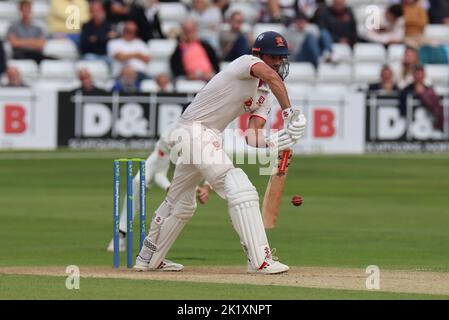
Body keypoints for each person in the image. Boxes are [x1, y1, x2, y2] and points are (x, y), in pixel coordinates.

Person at [134, 31, 307, 274]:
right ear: (258, 55)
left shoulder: (265, 93)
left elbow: (252, 135)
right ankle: (260, 260)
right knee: (240, 187)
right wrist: (289, 115)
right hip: (194, 129)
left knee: (180, 202)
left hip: (206, 135)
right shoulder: (245, 63)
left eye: (282, 58)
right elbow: (272, 76)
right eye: (273, 57)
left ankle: (148, 258)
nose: (278, 63)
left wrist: (278, 139)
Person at [106, 123, 213, 256]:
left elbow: (215, 166)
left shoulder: (208, 138)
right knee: (138, 182)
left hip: (190, 159)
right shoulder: (168, 138)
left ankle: (157, 247)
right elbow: (159, 175)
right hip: (163, 154)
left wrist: (206, 188)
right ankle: (120, 235)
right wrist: (170, 188)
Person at [399, 64, 444, 131]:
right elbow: (402, 105)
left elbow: (436, 107)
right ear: (413, 75)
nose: (419, 76)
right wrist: (415, 93)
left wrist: (424, 94)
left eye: (420, 74)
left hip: (427, 123)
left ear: (424, 75)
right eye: (417, 74)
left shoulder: (430, 90)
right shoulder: (407, 90)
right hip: (410, 125)